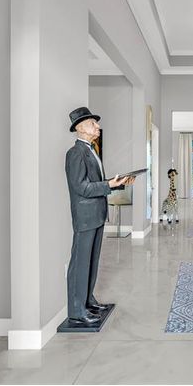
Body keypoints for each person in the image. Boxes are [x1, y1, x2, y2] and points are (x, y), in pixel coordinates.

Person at [65, 106, 135, 326]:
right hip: (85, 216)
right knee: (80, 263)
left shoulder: (90, 150)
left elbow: (94, 183)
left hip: (96, 214)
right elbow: (81, 187)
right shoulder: (75, 153)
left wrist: (118, 184)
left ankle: (87, 301)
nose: (98, 126)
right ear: (80, 128)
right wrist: (108, 185)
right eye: (93, 123)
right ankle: (77, 311)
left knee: (92, 261)